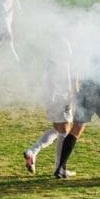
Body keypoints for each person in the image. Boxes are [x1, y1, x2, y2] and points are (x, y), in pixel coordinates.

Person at [23, 41, 76, 176]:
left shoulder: (50, 62)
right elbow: (68, 83)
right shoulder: (64, 63)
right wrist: (71, 96)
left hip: (49, 99)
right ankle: (60, 167)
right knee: (64, 132)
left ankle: (32, 151)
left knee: (58, 130)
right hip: (61, 99)